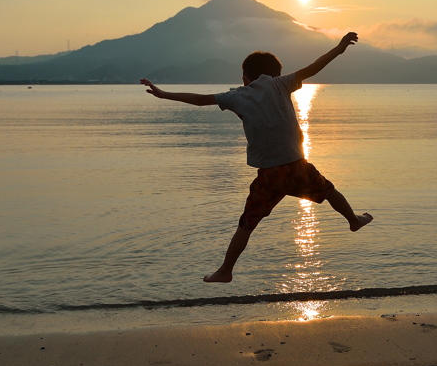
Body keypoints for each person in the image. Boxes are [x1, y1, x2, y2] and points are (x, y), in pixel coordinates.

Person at [140, 32, 372, 283]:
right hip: (296, 166)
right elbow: (314, 67)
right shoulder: (281, 84)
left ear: (244, 77)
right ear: (275, 73)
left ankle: (225, 270)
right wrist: (338, 49)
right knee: (328, 191)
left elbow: (199, 100)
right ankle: (353, 220)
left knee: (247, 224)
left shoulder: (237, 96)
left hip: (269, 175)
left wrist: (164, 94)